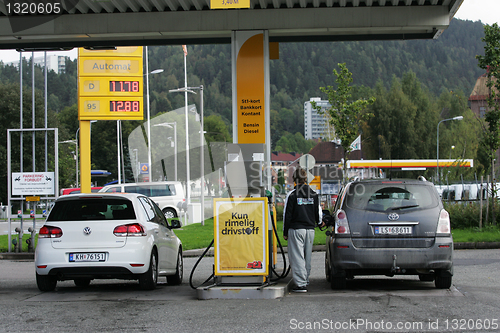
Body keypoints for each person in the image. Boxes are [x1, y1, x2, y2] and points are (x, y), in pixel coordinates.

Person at [283, 167, 323, 293]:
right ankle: (305, 279)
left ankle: (300, 284)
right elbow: (318, 213)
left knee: (297, 256)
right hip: (310, 230)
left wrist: (285, 232)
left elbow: (287, 215)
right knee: (307, 256)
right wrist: (320, 223)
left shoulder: (292, 194)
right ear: (306, 179)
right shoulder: (314, 194)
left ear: (294, 179)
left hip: (296, 229)